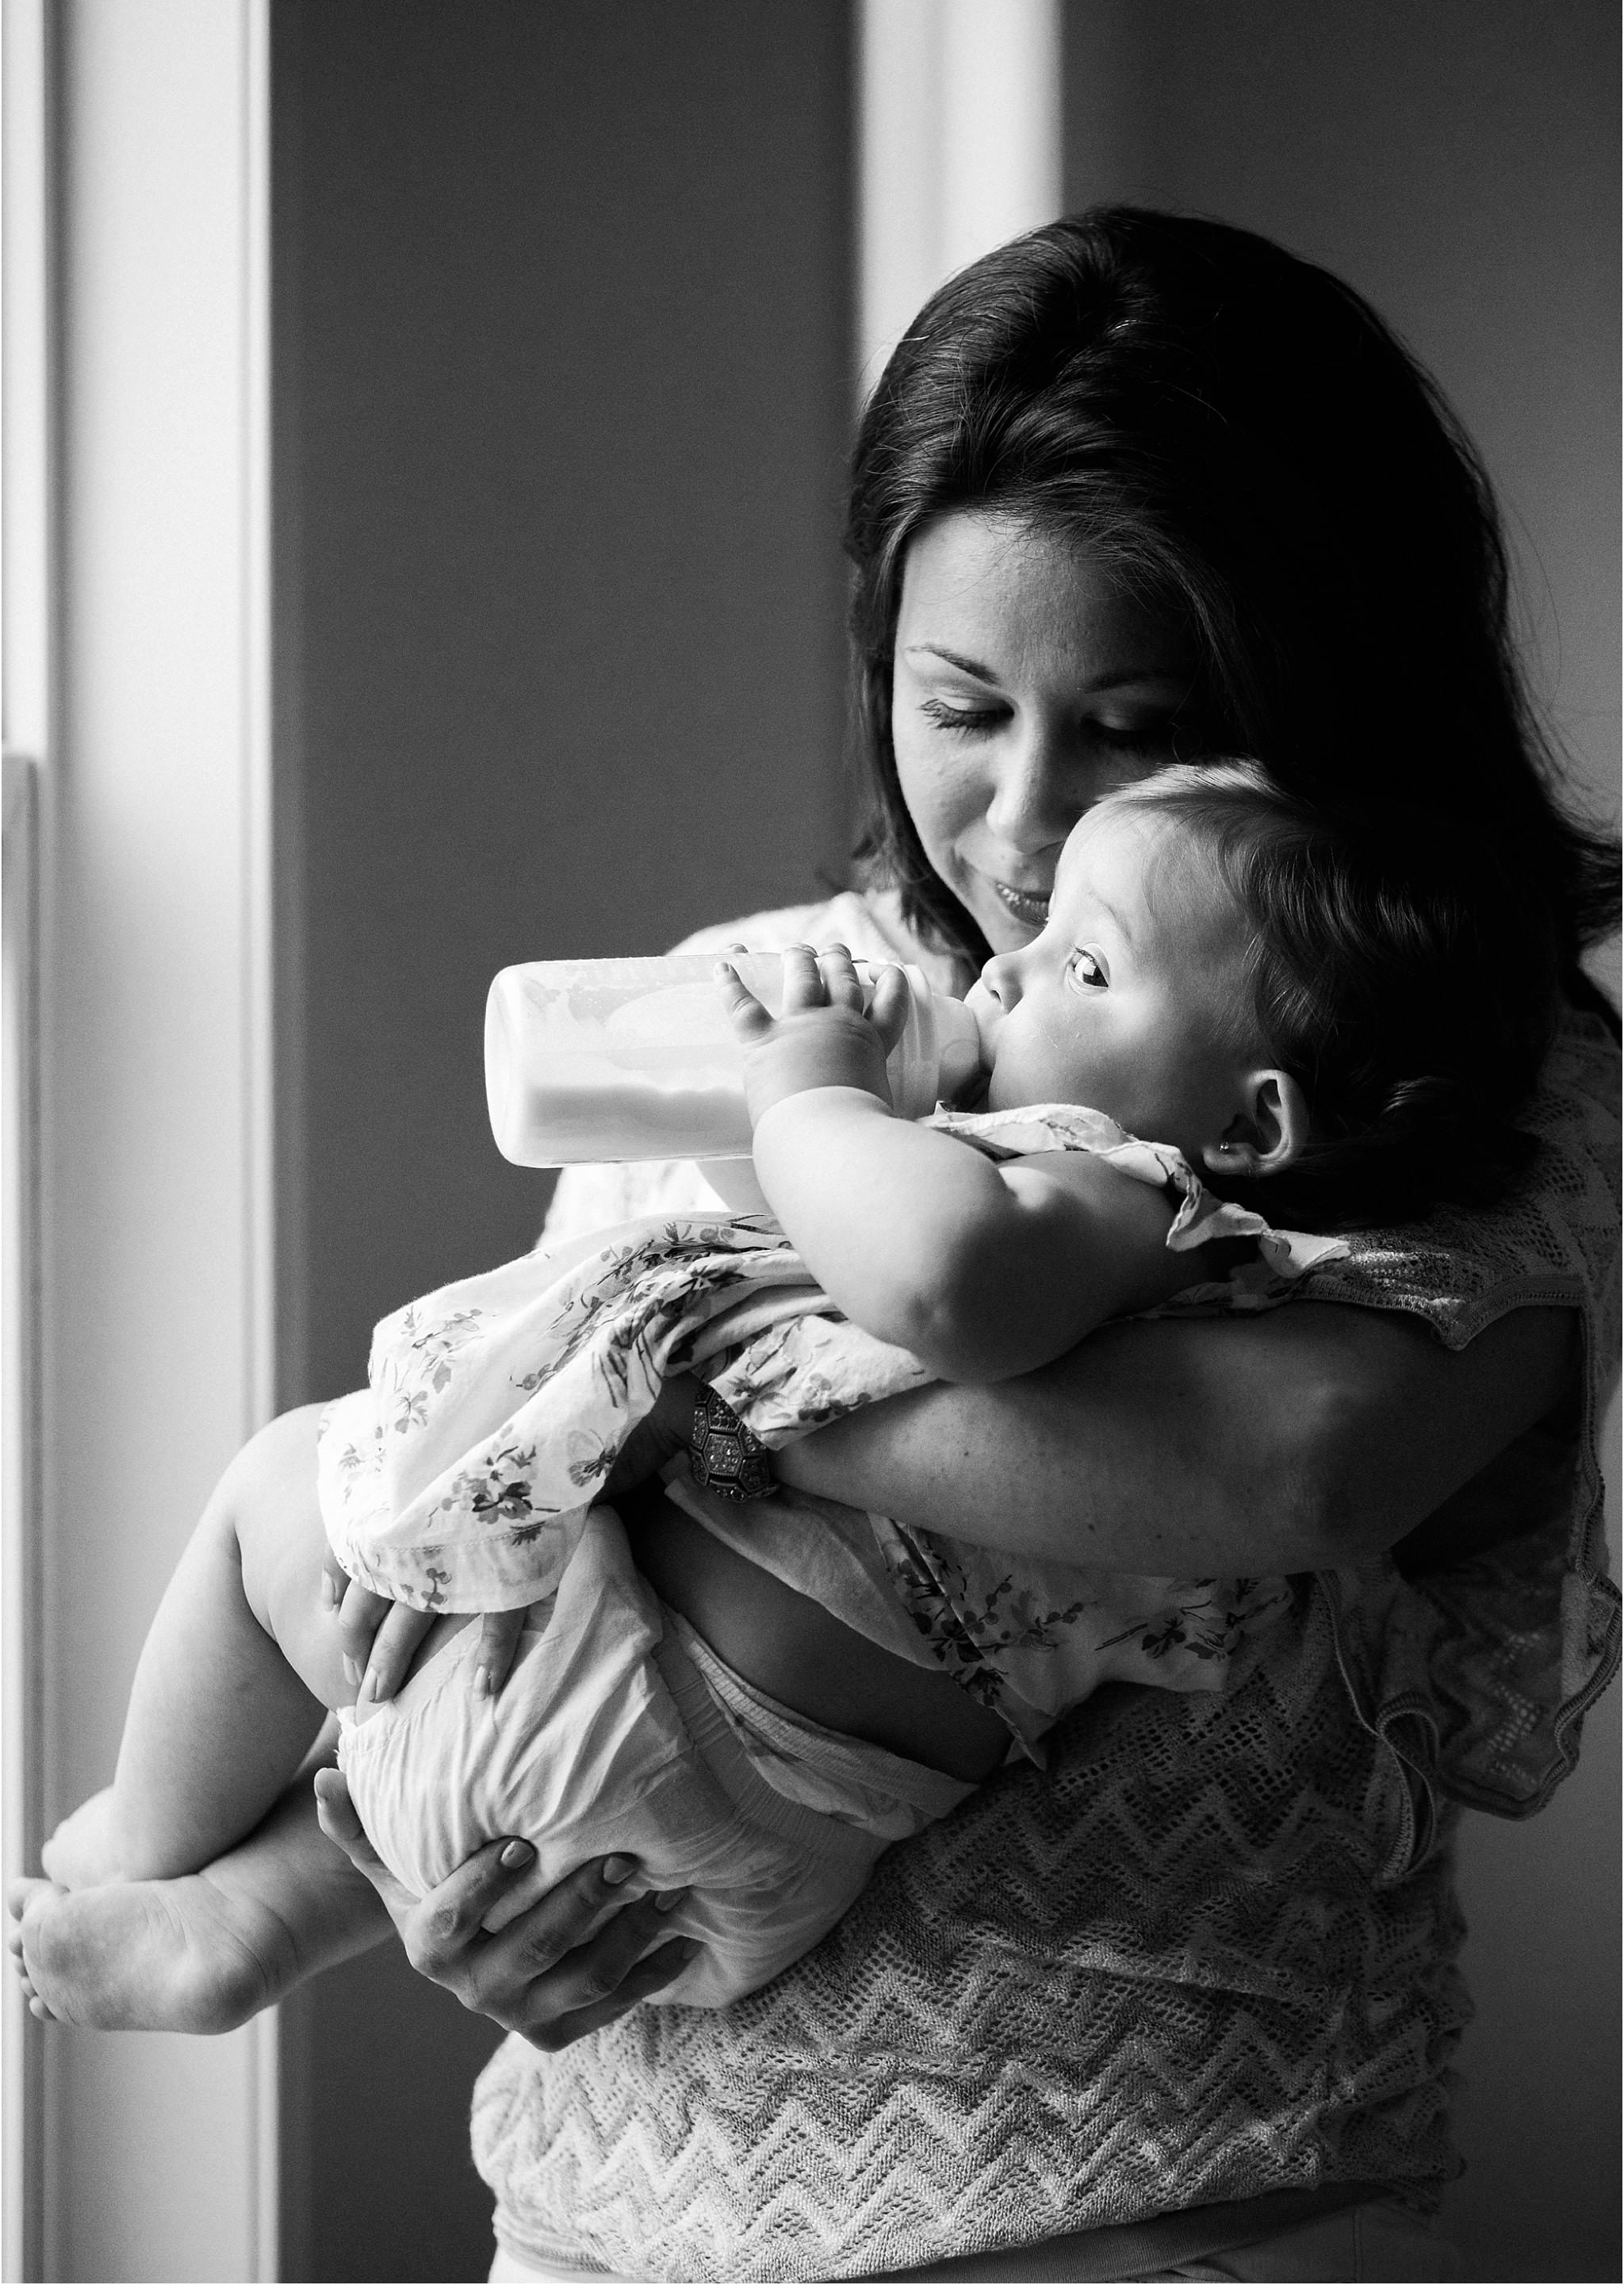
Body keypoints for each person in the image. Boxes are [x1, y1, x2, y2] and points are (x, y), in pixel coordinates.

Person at [10, 210, 1618, 2283]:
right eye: (964, 704)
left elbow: (1290, 1466)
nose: (1026, 818)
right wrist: (437, 1865)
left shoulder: (1429, 1068)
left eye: (1136, 723)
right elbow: (539, 1566)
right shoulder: (763, 1011)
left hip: (1149, 2185)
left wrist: (700, 1369)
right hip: (628, 2197)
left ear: (1317, 689)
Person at [29, 761, 1537, 2019]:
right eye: (962, 706)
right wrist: (818, 1112)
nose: (1008, 963)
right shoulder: (1127, 1237)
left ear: (1253, 1120)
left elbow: (931, 1288)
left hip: (668, 1707)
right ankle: (260, 1919)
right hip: (759, 1846)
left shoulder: (1119, 1191)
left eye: (1088, 962)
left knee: (271, 1485)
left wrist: (812, 1092)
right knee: (429, 1631)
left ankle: (151, 1848)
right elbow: (807, 1261)